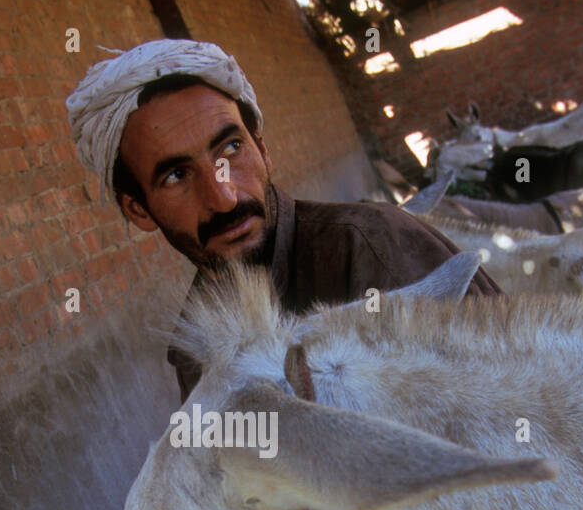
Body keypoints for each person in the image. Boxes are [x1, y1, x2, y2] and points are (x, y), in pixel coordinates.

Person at [66, 39, 501, 401]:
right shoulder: (196, 346)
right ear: (138, 209)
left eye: (231, 149)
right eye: (177, 175)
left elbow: (519, 423)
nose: (224, 196)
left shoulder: (373, 247)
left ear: (262, 148)